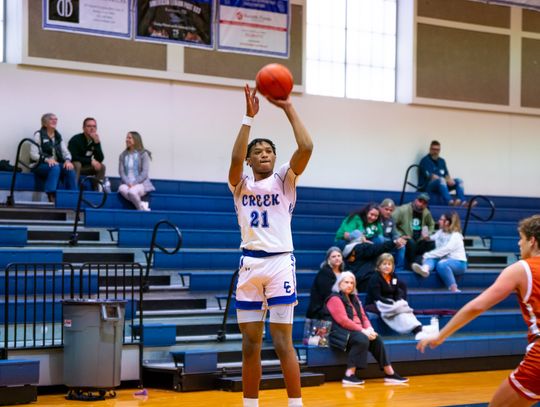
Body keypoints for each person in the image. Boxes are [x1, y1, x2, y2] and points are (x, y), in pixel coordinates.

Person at [228, 84, 313, 407]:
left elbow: (306, 146)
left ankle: (296, 404)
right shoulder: (240, 184)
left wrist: (288, 107)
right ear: (250, 160)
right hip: (250, 265)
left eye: (268, 150)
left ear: (275, 157)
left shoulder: (284, 180)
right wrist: (248, 118)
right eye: (258, 151)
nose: (264, 153)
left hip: (279, 264)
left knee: (282, 343)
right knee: (249, 345)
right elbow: (234, 158)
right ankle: (250, 404)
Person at [418, 214, 540, 406]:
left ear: (532, 241)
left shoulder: (521, 269)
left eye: (522, 238)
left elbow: (477, 306)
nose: (519, 243)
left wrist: (441, 335)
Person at [325, 271, 408, 386]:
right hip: (339, 332)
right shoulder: (334, 299)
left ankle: (390, 373)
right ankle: (349, 375)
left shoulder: (354, 298)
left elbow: (364, 317)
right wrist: (363, 331)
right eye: (346, 282)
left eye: (352, 283)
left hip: (356, 331)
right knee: (362, 338)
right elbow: (343, 321)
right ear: (339, 284)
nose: (349, 285)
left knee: (376, 339)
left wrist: (370, 329)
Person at [365, 253, 426, 339]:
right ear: (379, 266)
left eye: (389, 264)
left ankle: (418, 328)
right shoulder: (375, 278)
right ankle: (417, 329)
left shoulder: (393, 276)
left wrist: (398, 300)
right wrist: (391, 303)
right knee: (398, 311)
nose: (387, 266)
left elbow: (397, 291)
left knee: (402, 308)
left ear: (392, 266)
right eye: (384, 264)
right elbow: (376, 296)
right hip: (376, 303)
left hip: (389, 303)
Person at [411, 212, 468, 291]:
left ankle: (454, 288)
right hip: (444, 259)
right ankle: (425, 269)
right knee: (432, 258)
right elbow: (432, 238)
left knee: (441, 264)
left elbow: (446, 249)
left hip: (459, 263)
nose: (439, 221)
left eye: (441, 219)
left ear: (447, 222)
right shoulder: (440, 232)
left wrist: (428, 254)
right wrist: (426, 237)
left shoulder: (456, 236)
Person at [30, 113, 77, 203]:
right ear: (44, 123)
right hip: (39, 164)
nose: (54, 121)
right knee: (55, 167)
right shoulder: (38, 135)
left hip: (54, 164)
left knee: (69, 168)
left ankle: (73, 195)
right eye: (51, 119)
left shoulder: (58, 136)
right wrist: (47, 159)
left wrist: (67, 160)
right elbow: (33, 154)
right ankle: (51, 194)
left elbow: (66, 152)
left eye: (56, 119)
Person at [392, 193, 436, 270]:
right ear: (415, 200)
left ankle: (423, 264)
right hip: (407, 239)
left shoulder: (426, 212)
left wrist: (428, 234)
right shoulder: (402, 209)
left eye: (424, 203)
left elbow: (431, 224)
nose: (421, 204)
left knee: (432, 243)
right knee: (411, 242)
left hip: (419, 240)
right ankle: (412, 265)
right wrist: (400, 235)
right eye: (420, 201)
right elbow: (391, 223)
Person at [418, 140, 466, 206]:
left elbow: (446, 175)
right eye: (434, 149)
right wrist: (445, 180)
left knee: (459, 181)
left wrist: (449, 180)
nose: (436, 152)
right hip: (428, 187)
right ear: (430, 149)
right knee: (441, 179)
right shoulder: (425, 160)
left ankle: (463, 202)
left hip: (442, 185)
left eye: (438, 150)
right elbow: (432, 177)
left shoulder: (442, 161)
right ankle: (450, 202)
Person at [118, 131, 155, 211]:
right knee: (121, 188)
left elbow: (144, 173)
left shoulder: (143, 154)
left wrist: (134, 183)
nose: (127, 140)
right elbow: (121, 172)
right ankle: (142, 206)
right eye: (127, 137)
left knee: (132, 192)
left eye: (129, 138)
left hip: (141, 183)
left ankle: (140, 209)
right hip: (127, 183)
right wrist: (128, 182)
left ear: (136, 140)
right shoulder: (123, 155)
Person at [306, 247, 344, 320]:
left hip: (338, 306)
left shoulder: (344, 273)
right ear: (328, 259)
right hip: (322, 311)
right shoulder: (324, 272)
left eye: (339, 256)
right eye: (333, 256)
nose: (337, 258)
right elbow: (326, 294)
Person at [68, 117, 106, 187]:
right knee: (77, 164)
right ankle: (73, 189)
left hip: (85, 168)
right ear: (83, 128)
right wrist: (90, 161)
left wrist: (97, 143)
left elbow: (100, 159)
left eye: (94, 126)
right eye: (89, 126)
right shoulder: (76, 139)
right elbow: (73, 157)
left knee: (101, 166)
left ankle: (97, 190)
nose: (92, 128)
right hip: (73, 167)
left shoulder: (94, 140)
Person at [379, 198, 407, 270]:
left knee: (402, 245)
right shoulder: (376, 217)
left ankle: (399, 269)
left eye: (391, 210)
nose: (388, 212)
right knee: (381, 239)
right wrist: (394, 241)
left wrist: (398, 239)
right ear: (380, 208)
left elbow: (394, 233)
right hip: (379, 240)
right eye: (386, 209)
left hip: (389, 241)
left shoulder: (391, 219)